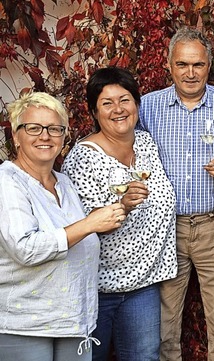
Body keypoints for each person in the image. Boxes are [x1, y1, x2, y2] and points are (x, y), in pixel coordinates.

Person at [138, 26, 214, 361]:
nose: (190, 73)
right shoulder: (148, 107)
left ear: (209, 65)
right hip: (163, 227)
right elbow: (131, 159)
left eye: (198, 65)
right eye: (183, 64)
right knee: (164, 319)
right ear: (169, 64)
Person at [61, 67, 177, 361]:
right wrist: (122, 205)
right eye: (107, 103)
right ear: (93, 111)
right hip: (96, 288)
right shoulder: (83, 157)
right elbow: (80, 226)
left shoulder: (147, 144)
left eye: (124, 100)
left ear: (137, 104)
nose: (118, 109)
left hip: (142, 287)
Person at [0, 92, 125, 360]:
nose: (45, 136)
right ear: (16, 136)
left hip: (73, 321)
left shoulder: (64, 183)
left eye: (55, 129)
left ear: (64, 137)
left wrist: (116, 211)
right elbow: (25, 248)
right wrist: (90, 223)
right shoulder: (7, 183)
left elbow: (78, 236)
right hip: (26, 325)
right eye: (33, 128)